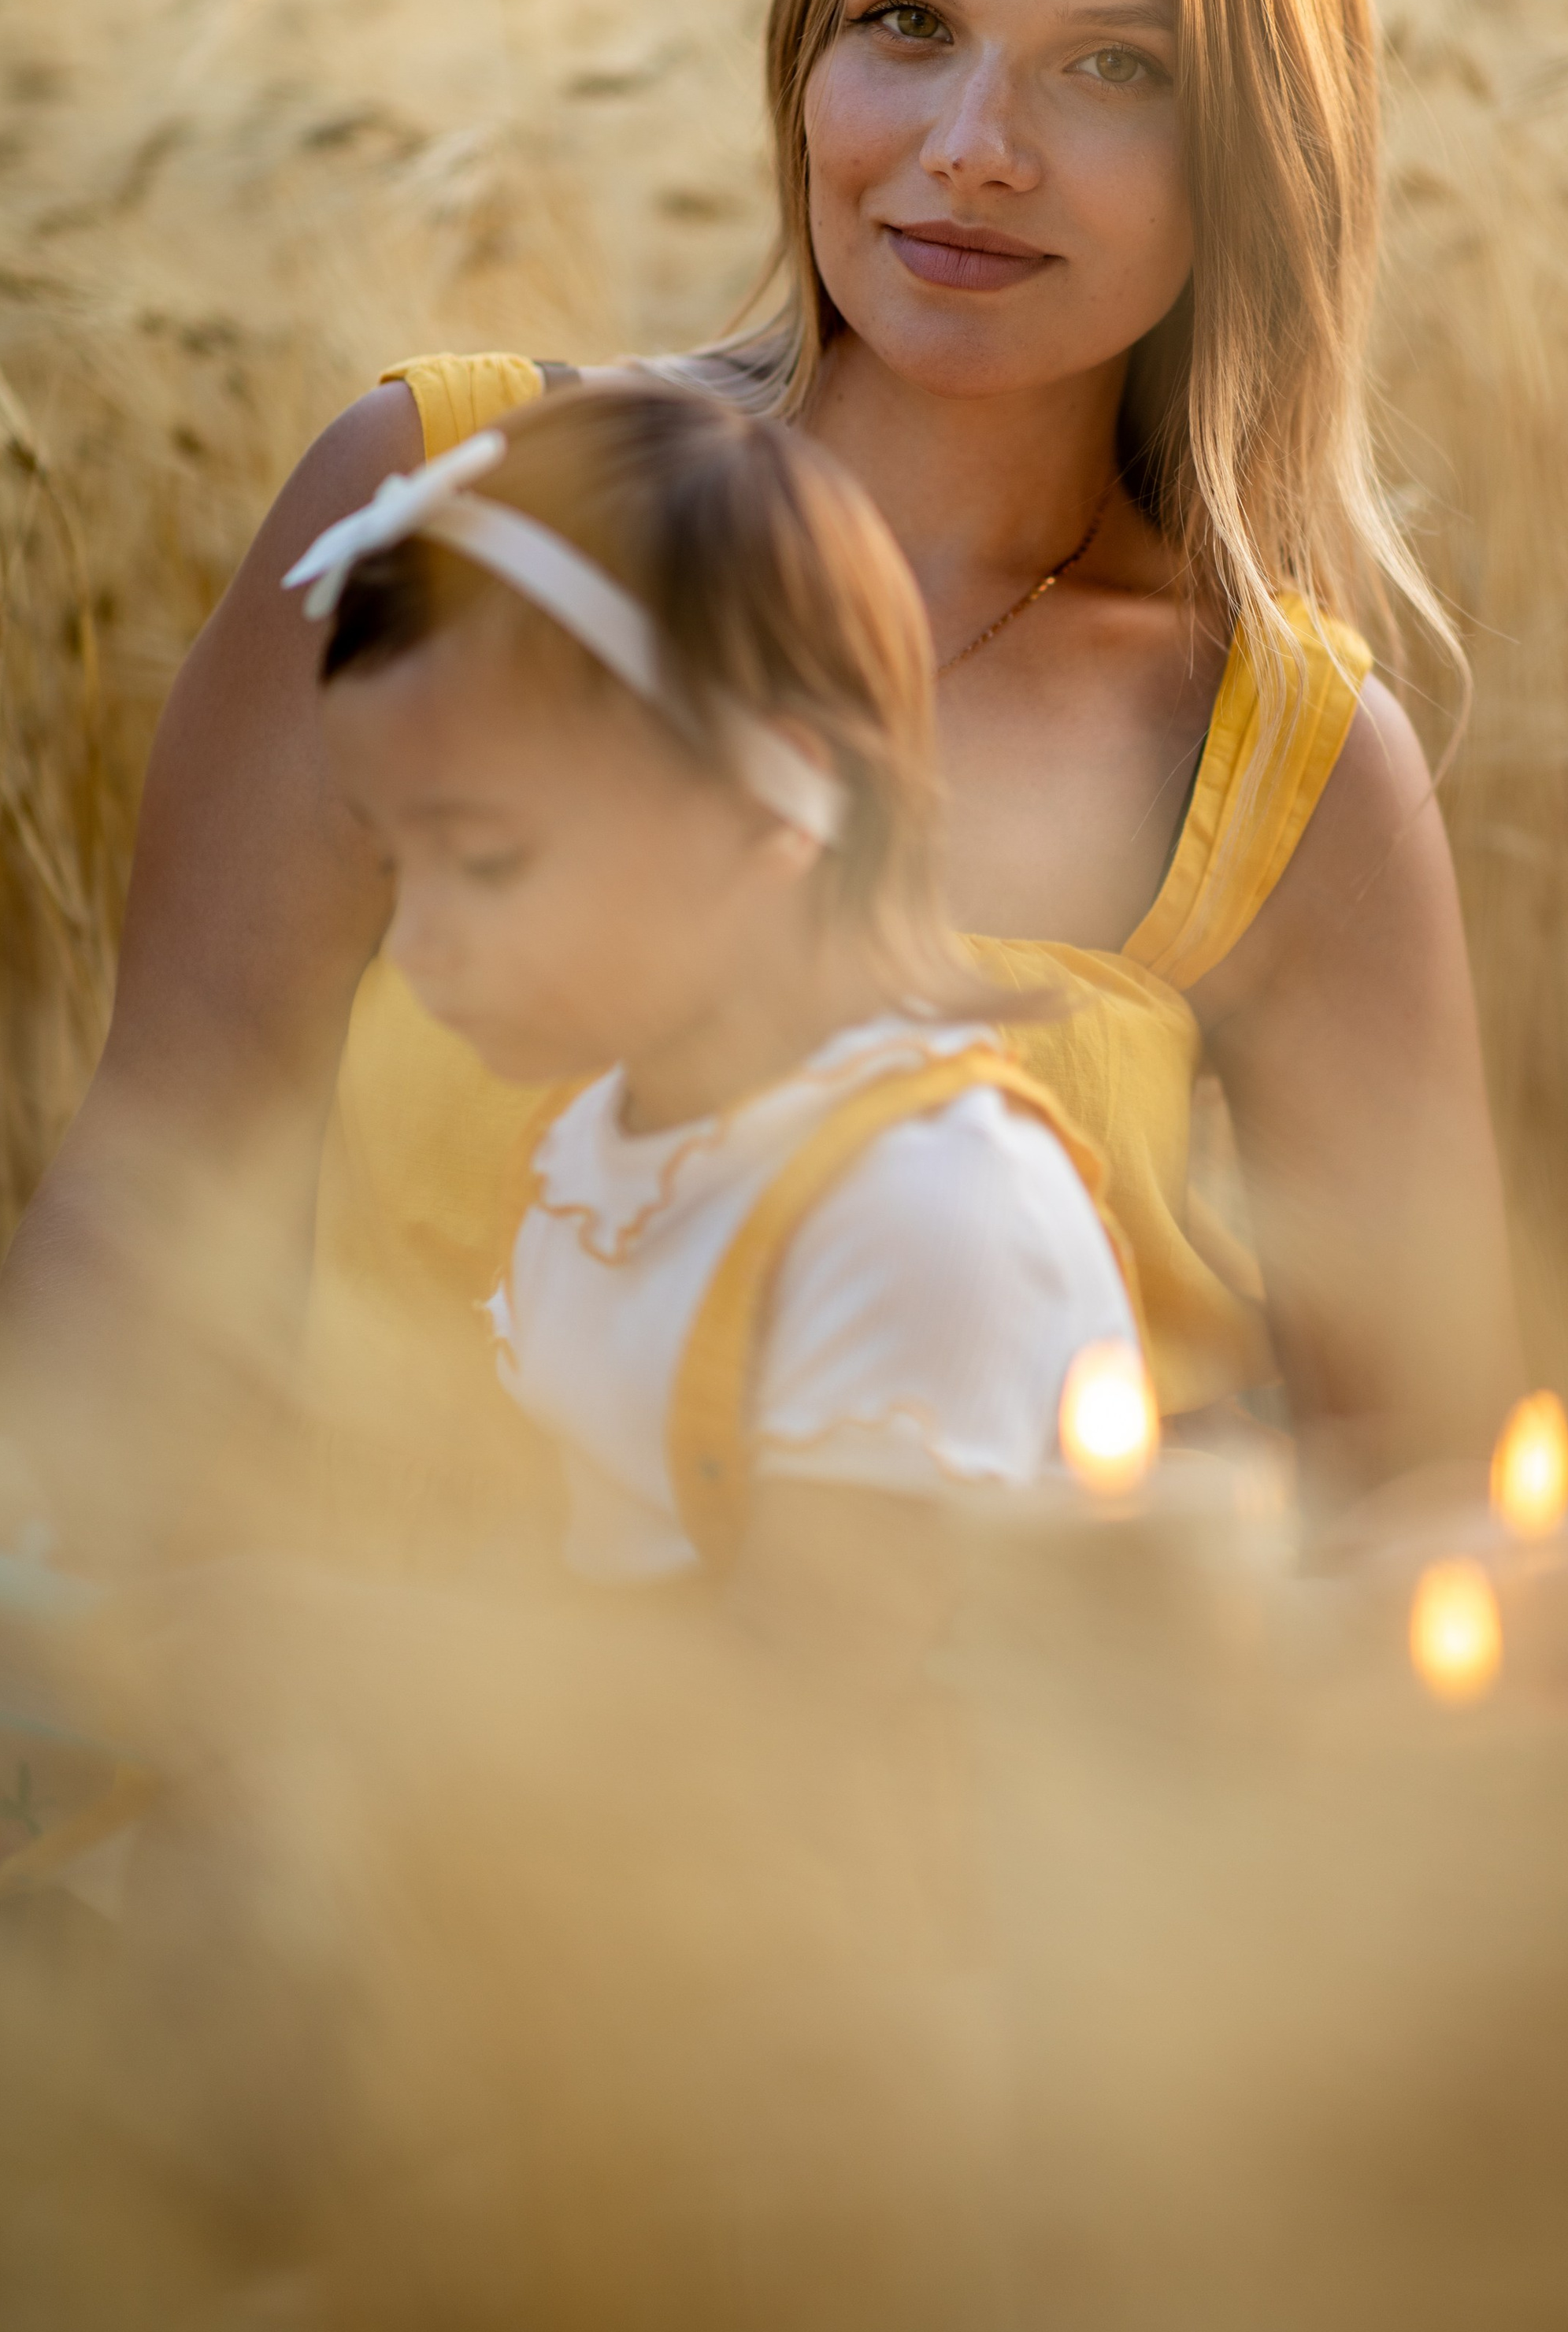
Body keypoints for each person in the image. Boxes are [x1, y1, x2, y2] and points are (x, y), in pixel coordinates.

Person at [0, 0, 1520, 1557]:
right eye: (907, 22)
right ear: (805, 54)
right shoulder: (445, 509)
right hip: (349, 1781)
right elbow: (149, 1230)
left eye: (1113, 65)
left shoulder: (1283, 763)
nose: (974, 140)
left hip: (952, 1836)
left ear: (1262, 150)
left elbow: (1418, 1519)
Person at [297, 368, 1141, 1602]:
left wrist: (367, 1667)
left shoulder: (925, 1209)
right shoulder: (606, 1142)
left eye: (484, 859)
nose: (414, 939)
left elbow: (799, 1711)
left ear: (763, 809)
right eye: (392, 860)